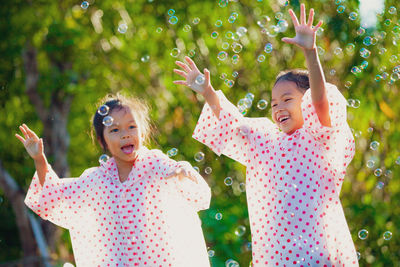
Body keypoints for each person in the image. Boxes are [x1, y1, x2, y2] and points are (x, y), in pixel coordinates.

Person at [174, 4, 358, 266]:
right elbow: (231, 124)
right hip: (276, 257)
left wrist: (310, 52)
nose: (278, 108)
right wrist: (208, 93)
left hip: (318, 254)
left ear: (305, 101)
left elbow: (320, 102)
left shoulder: (320, 138)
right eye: (273, 103)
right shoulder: (265, 141)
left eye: (287, 99)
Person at [17, 93, 211, 266]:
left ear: (142, 133)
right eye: (115, 130)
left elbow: (184, 180)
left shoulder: (155, 164)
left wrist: (183, 171)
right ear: (103, 141)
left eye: (132, 126)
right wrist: (39, 159)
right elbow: (56, 196)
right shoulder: (97, 180)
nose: (125, 134)